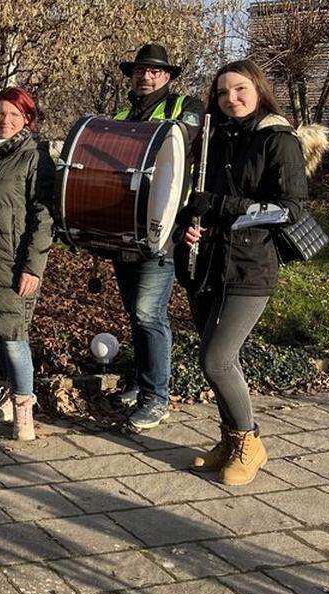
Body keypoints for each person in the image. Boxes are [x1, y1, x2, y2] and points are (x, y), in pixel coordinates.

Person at [180, 60, 312, 486]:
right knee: (215, 359)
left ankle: (249, 443)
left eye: (240, 89)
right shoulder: (212, 138)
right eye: (222, 93)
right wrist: (190, 221)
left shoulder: (278, 139)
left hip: (251, 266)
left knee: (217, 359)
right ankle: (229, 438)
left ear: (258, 89)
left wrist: (218, 207)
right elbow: (194, 197)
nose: (231, 99)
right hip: (208, 262)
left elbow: (291, 210)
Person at [106, 43, 204, 430]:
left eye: (155, 71)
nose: (146, 76)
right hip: (125, 227)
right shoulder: (119, 113)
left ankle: (156, 397)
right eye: (140, 71)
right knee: (136, 313)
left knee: (149, 313)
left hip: (163, 229)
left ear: (168, 76)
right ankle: (140, 380)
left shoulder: (185, 106)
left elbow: (182, 138)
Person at [0, 87, 54, 441]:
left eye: (15, 115)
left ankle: (24, 412)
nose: (6, 120)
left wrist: (33, 266)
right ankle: (9, 398)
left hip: (15, 261)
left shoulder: (33, 156)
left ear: (27, 119)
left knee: (15, 337)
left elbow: (43, 216)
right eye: (1, 113)